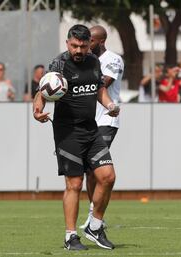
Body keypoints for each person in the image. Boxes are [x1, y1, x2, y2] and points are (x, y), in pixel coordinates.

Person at [33, 24, 119, 251]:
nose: (79, 50)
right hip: (67, 132)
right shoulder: (59, 64)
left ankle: (95, 226)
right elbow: (42, 91)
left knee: (108, 176)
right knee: (75, 184)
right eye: (74, 46)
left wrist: (109, 104)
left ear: (90, 43)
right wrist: (37, 110)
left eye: (83, 45)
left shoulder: (94, 62)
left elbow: (99, 89)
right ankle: (71, 237)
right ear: (67, 43)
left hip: (91, 129)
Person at [79, 25, 124, 231]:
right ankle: (93, 213)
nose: (87, 46)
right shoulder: (87, 60)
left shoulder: (112, 59)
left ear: (101, 41)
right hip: (90, 120)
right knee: (89, 169)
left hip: (106, 120)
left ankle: (95, 216)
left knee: (99, 169)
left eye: (91, 42)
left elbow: (103, 83)